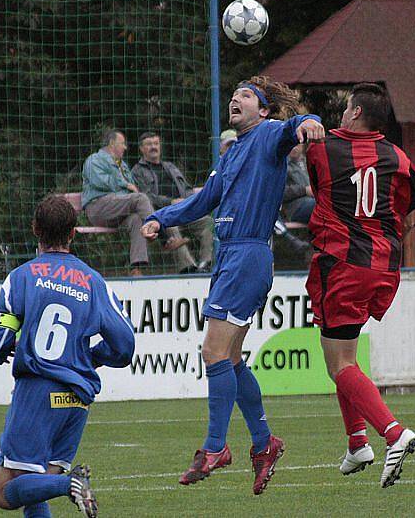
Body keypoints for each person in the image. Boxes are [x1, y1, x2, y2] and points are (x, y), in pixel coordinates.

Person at [141, 75, 324, 494]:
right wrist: (162, 218)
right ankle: (263, 444)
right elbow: (204, 200)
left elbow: (298, 124)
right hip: (231, 256)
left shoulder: (268, 136)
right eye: (234, 95)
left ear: (262, 109)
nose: (235, 101)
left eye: (246, 96)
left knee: (212, 351)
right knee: (232, 358)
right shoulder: (232, 152)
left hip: (248, 256)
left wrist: (310, 120)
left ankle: (215, 447)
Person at [305, 83, 415, 488]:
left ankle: (393, 433)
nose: (340, 115)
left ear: (355, 112)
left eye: (344, 109)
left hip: (342, 264)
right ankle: (357, 444)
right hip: (385, 266)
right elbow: (408, 203)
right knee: (343, 359)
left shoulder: (324, 148)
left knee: (338, 364)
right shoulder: (398, 156)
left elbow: (314, 187)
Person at [0, 195, 135, 518]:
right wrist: (92, 356)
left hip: (38, 394)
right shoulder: (96, 283)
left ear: (35, 230)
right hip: (77, 401)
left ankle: (71, 484)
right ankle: (67, 483)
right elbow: (125, 347)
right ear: (73, 234)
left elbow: (1, 338)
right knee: (34, 487)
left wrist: (4, 345)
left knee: (3, 491)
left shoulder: (22, 277)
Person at [81, 129, 189, 276]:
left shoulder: (122, 165)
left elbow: (132, 188)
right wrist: (125, 185)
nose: (125, 147)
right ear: (112, 143)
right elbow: (98, 181)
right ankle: (165, 239)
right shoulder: (95, 159)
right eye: (122, 143)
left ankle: (136, 268)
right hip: (99, 207)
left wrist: (130, 188)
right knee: (141, 198)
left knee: (137, 220)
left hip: (117, 210)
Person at [132, 131, 214, 273]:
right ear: (141, 148)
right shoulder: (138, 171)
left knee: (208, 222)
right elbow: (147, 197)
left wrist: (188, 201)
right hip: (162, 213)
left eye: (156, 143)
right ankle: (189, 269)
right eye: (149, 144)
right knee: (170, 224)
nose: (154, 147)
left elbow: (187, 188)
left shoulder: (170, 166)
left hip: (184, 209)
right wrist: (170, 202)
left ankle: (205, 264)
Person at [283, 143, 315, 225]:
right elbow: (279, 192)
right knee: (322, 206)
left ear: (303, 145)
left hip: (315, 201)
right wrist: (304, 190)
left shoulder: (310, 161)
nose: (294, 148)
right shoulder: (283, 166)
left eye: (297, 145)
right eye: (291, 145)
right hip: (296, 208)